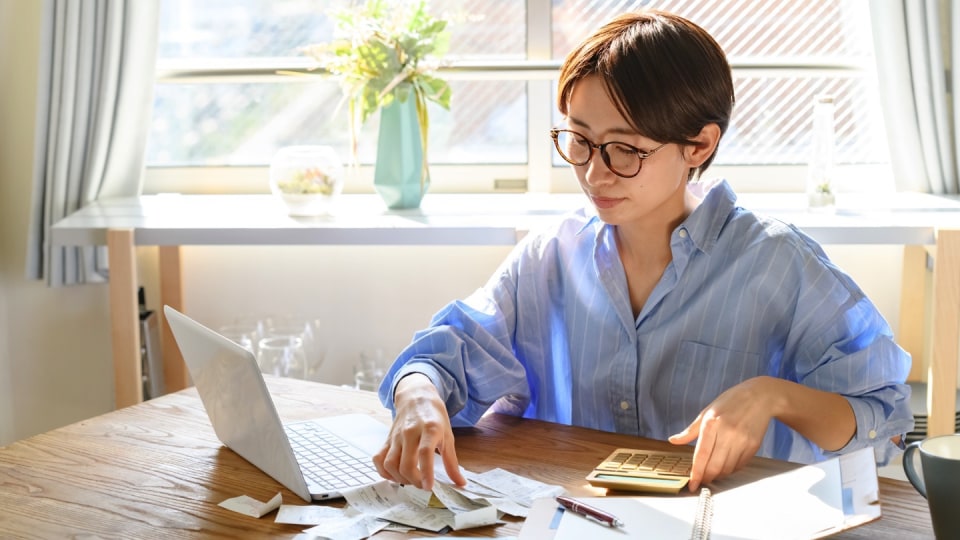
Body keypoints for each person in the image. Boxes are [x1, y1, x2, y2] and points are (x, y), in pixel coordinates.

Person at [372, 9, 913, 493]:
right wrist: (418, 394)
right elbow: (446, 353)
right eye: (579, 139)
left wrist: (772, 395)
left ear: (698, 145)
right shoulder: (550, 258)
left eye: (626, 149)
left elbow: (883, 413)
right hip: (574, 520)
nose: (593, 171)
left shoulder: (779, 263)